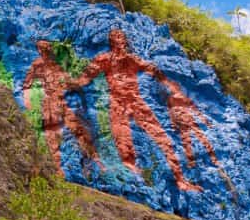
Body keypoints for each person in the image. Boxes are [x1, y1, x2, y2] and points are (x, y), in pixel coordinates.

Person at [72, 29, 200, 192]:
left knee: (163, 139)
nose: (118, 40)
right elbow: (84, 78)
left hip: (135, 100)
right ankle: (128, 172)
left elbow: (153, 70)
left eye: (121, 37)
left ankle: (180, 180)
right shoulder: (104, 59)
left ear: (125, 41)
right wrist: (69, 84)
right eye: (115, 37)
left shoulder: (132, 60)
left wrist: (170, 87)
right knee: (123, 141)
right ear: (111, 41)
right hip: (117, 103)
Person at [22, 40, 100, 172]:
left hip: (62, 102)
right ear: (39, 50)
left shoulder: (56, 65)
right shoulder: (38, 64)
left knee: (78, 129)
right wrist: (27, 100)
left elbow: (68, 82)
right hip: (51, 104)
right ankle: (57, 169)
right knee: (53, 135)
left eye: (47, 47)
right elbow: (27, 83)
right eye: (42, 48)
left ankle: (94, 159)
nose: (46, 50)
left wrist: (83, 81)